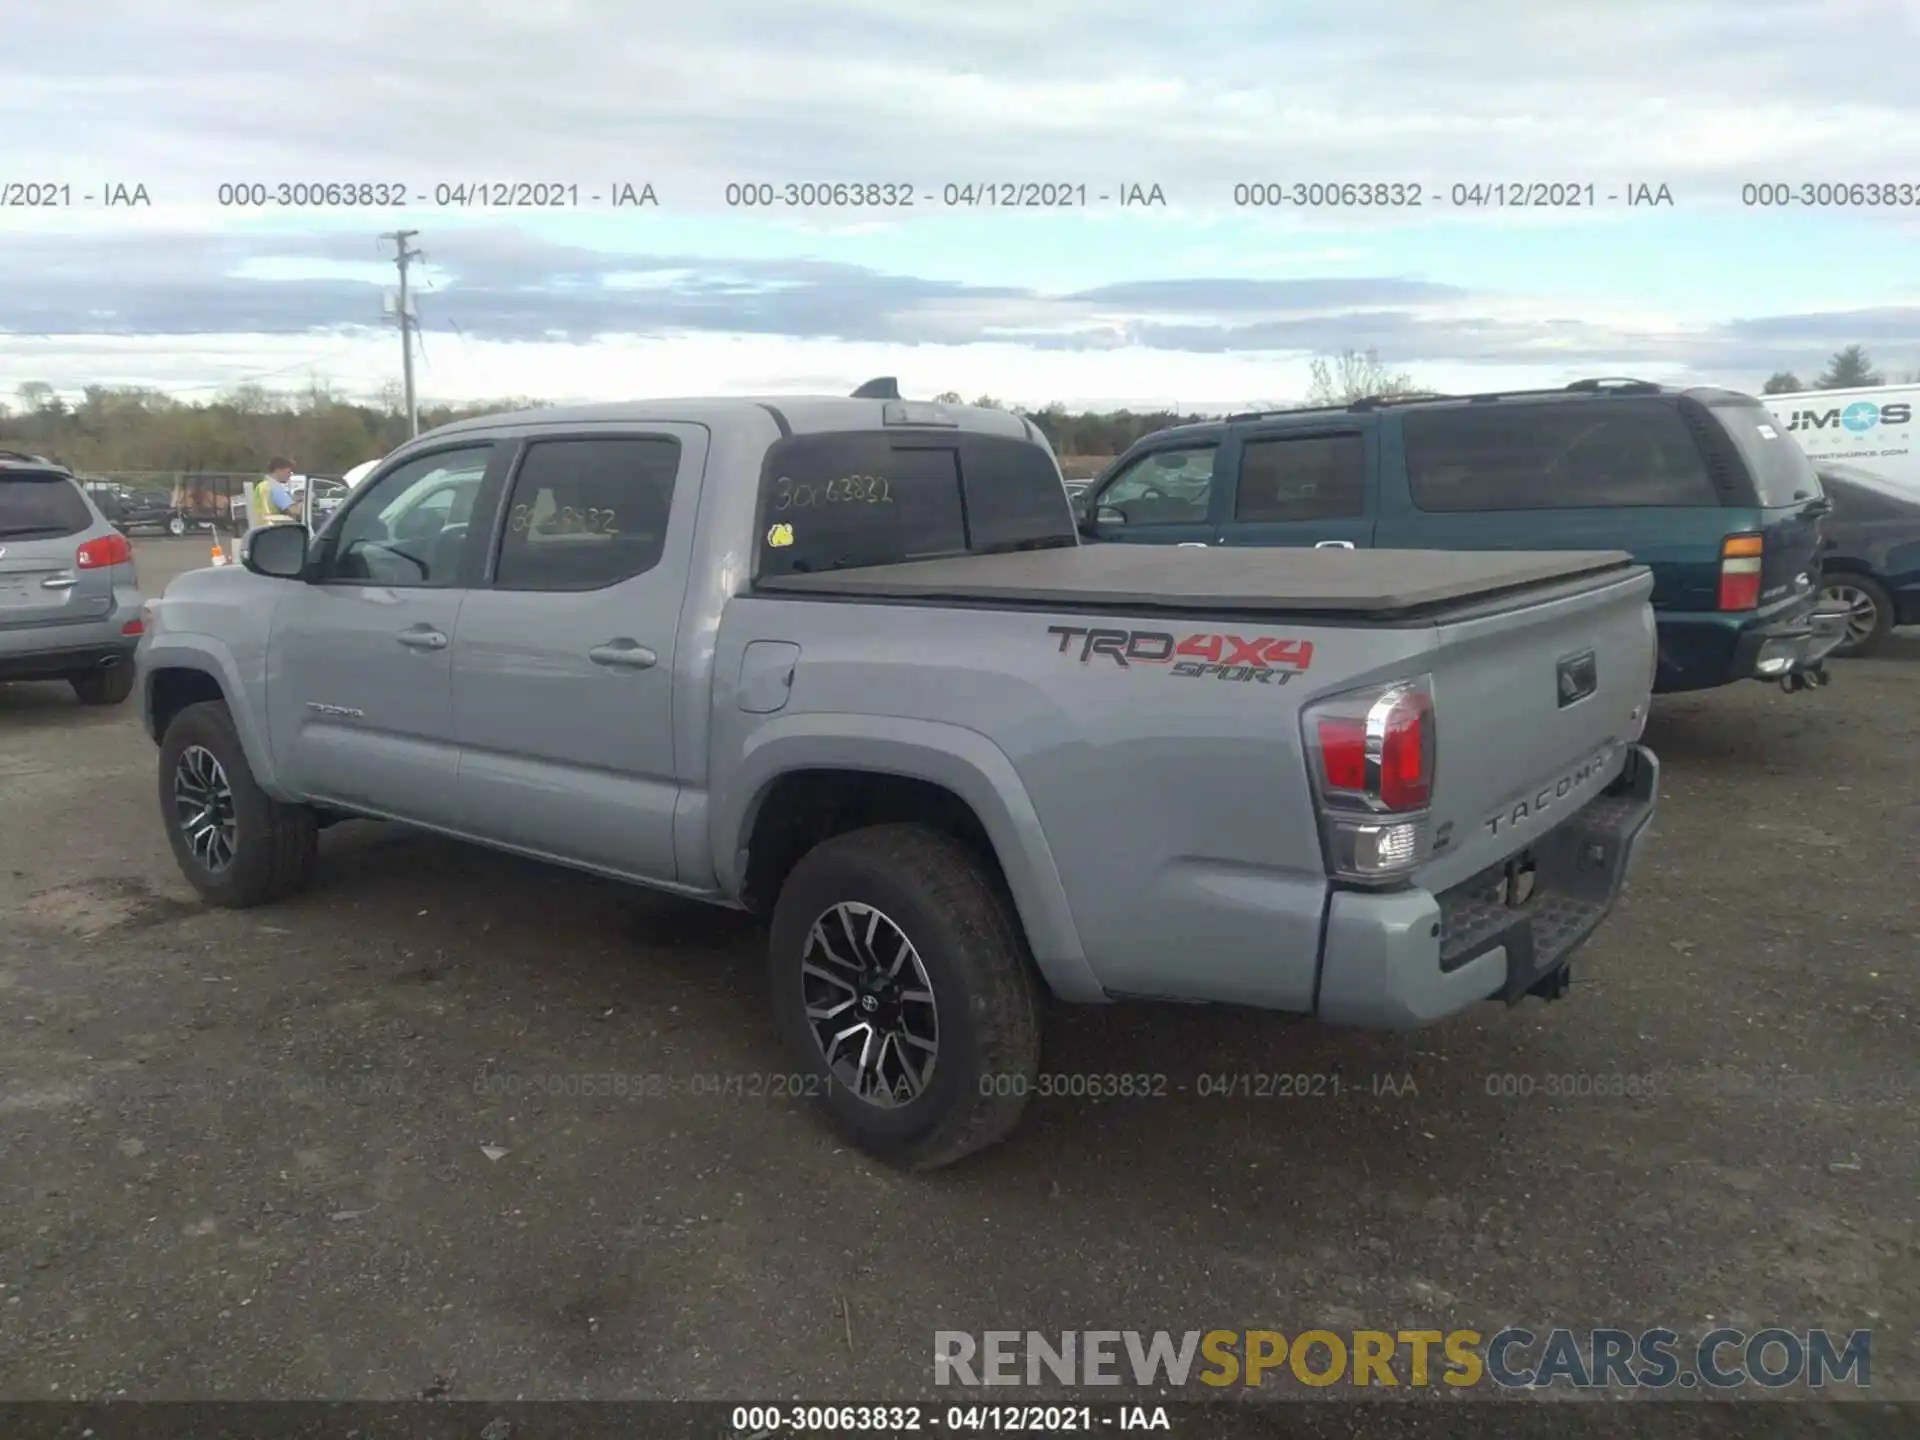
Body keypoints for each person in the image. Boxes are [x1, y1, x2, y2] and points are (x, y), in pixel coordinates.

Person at [246, 458, 303, 530]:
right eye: (288, 472)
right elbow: (294, 510)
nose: (290, 476)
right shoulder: (275, 487)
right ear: (278, 471)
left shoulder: (263, 485)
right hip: (273, 529)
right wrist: (305, 502)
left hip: (260, 529)